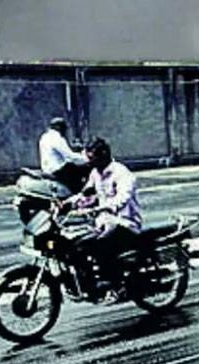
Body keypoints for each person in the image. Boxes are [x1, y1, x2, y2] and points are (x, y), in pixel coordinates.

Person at [69, 137, 143, 301]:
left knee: (101, 246)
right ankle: (90, 284)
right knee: (79, 244)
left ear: (103, 155)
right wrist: (68, 204)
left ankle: (117, 286)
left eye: (92, 157)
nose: (89, 161)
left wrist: (105, 207)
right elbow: (86, 194)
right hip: (104, 222)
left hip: (125, 222)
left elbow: (123, 198)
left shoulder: (121, 173)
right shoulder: (96, 174)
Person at [38, 117, 90, 191]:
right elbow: (69, 156)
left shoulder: (44, 137)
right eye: (64, 128)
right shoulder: (56, 137)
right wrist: (86, 159)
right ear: (58, 127)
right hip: (57, 170)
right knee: (84, 169)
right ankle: (80, 193)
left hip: (47, 169)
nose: (65, 131)